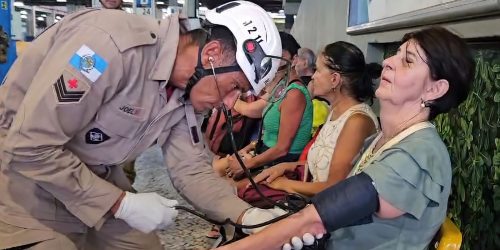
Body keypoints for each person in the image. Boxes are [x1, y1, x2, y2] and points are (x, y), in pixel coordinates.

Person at [0, 1, 287, 249]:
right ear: (211, 54)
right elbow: (29, 146)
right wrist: (119, 203)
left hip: (94, 174)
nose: (229, 102)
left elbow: (190, 170)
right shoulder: (109, 46)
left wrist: (247, 216)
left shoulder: (189, 93)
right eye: (234, 86)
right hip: (24, 174)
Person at [216, 26, 475, 250]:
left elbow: (316, 218)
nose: (388, 62)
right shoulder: (387, 139)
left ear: (435, 88)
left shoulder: (418, 153)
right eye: (395, 54)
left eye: (407, 60)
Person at [252, 41, 380, 197]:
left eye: (318, 70)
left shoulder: (357, 122)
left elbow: (335, 188)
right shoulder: (335, 112)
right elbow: (321, 165)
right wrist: (286, 166)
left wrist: (285, 184)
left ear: (334, 79)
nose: (313, 76)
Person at [224, 32, 314, 180]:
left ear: (294, 59)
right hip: (266, 155)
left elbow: (282, 149)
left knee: (225, 186)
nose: (273, 58)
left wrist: (247, 164)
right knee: (220, 170)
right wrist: (248, 149)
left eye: (279, 53)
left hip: (282, 163)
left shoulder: (294, 94)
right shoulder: (280, 87)